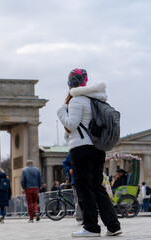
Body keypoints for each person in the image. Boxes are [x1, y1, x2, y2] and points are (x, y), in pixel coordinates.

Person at [57, 68, 121, 237]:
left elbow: (71, 125)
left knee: (84, 188)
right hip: (97, 148)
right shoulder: (96, 99)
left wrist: (61, 112)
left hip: (81, 149)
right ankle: (113, 225)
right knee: (98, 187)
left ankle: (91, 227)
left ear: (70, 84)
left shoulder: (77, 100)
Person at [63, 153, 83, 225]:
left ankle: (89, 217)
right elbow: (65, 163)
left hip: (87, 179)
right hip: (76, 180)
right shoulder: (72, 152)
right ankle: (80, 218)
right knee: (78, 199)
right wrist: (69, 170)